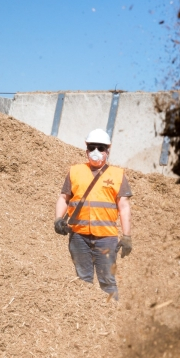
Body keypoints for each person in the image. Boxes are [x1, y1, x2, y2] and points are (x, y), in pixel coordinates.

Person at [54, 128, 132, 300]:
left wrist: (127, 236)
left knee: (107, 281)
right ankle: (86, 320)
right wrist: (58, 219)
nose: (96, 152)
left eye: (101, 148)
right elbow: (64, 198)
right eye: (92, 147)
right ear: (86, 149)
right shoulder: (75, 171)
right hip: (78, 236)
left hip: (106, 237)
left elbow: (124, 207)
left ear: (107, 151)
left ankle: (110, 320)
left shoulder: (117, 175)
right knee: (83, 280)